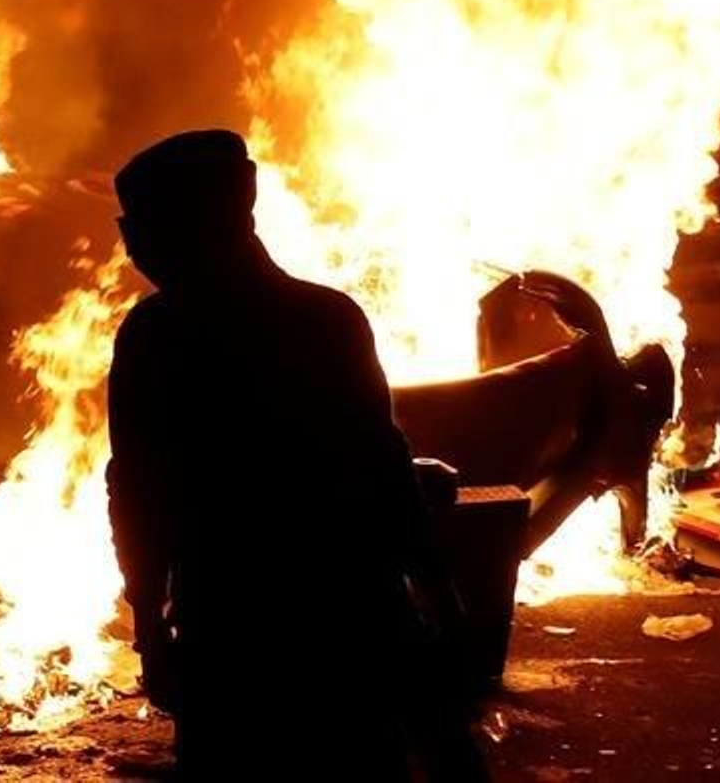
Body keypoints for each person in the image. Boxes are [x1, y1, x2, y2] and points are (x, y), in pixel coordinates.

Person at [107, 129, 484, 778]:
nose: (134, 243)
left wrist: (152, 628)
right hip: (349, 627)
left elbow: (138, 496)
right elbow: (386, 474)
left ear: (210, 220)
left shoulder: (156, 336)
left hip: (235, 641)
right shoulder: (327, 319)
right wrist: (438, 600)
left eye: (145, 224)